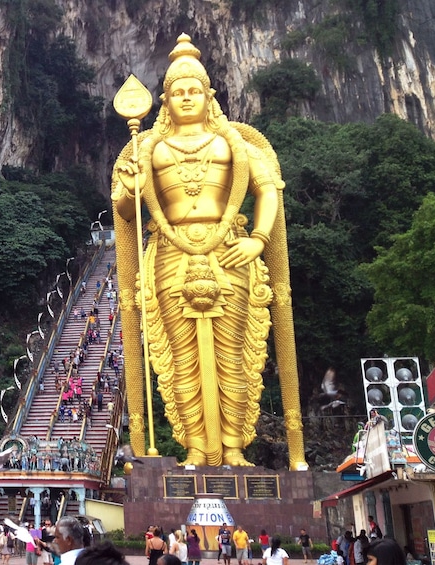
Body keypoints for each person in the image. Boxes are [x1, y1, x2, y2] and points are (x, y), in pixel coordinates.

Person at [112, 33, 304, 467]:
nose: (185, 98)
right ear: (164, 100)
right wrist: (129, 184)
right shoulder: (149, 148)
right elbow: (126, 211)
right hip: (170, 253)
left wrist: (258, 237)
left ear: (208, 94)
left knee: (235, 352)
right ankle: (196, 447)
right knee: (180, 359)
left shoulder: (234, 143)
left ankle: (234, 447)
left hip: (230, 251)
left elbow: (268, 188)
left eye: (194, 90)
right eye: (177, 92)